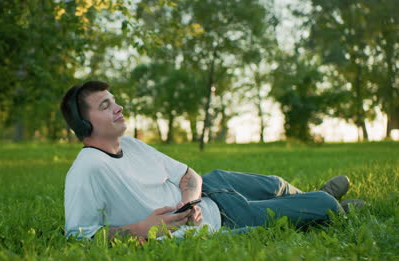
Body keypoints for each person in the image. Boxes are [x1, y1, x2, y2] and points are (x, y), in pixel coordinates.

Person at [60, 80, 361, 240]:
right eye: (105, 105)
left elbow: (188, 174)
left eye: (114, 100)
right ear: (85, 125)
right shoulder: (88, 169)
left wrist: (189, 201)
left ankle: (312, 200)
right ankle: (328, 206)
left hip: (211, 189)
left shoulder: (131, 144)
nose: (119, 107)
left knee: (276, 184)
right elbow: (78, 236)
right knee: (324, 206)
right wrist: (143, 229)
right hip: (224, 219)